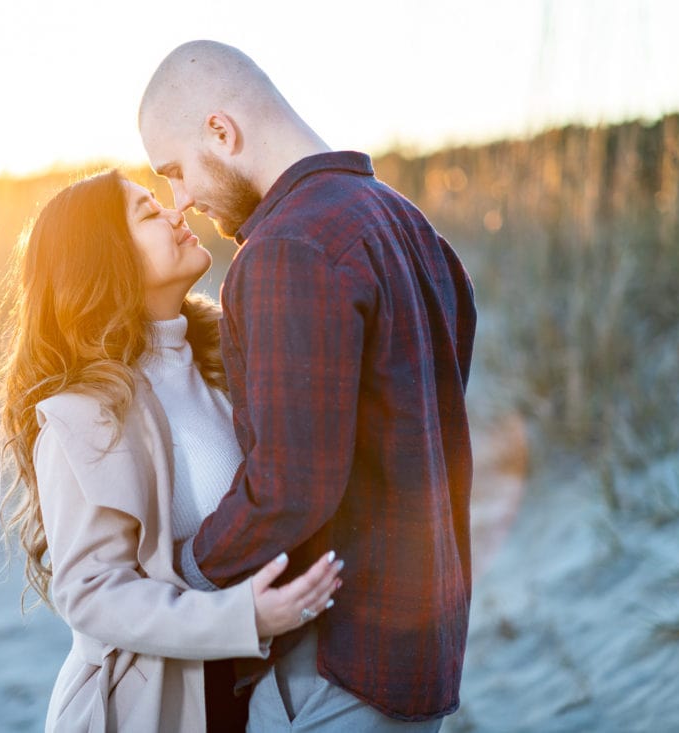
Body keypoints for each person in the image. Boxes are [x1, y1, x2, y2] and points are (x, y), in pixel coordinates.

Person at [138, 41, 478, 731]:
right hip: (417, 654)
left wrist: (178, 570)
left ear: (221, 132)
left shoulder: (286, 249)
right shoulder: (406, 221)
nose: (182, 202)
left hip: (334, 666)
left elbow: (287, 488)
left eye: (175, 172)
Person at [0, 170, 344, 732]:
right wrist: (243, 617)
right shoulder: (80, 414)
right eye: (148, 214)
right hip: (153, 708)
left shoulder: (227, 355)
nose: (178, 213)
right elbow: (92, 594)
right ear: (105, 260)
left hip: (262, 683)